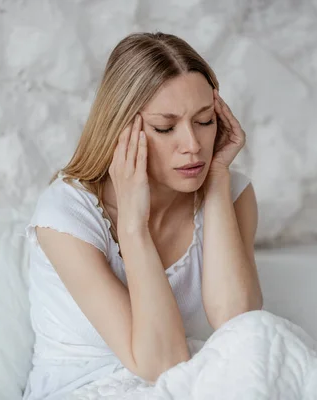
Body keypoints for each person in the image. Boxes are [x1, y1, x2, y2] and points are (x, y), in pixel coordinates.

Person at [22, 32, 263, 400]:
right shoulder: (67, 215)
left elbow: (239, 328)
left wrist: (215, 183)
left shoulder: (232, 194)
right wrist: (134, 228)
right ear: (121, 130)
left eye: (205, 120)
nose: (193, 145)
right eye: (165, 128)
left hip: (192, 386)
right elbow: (161, 363)